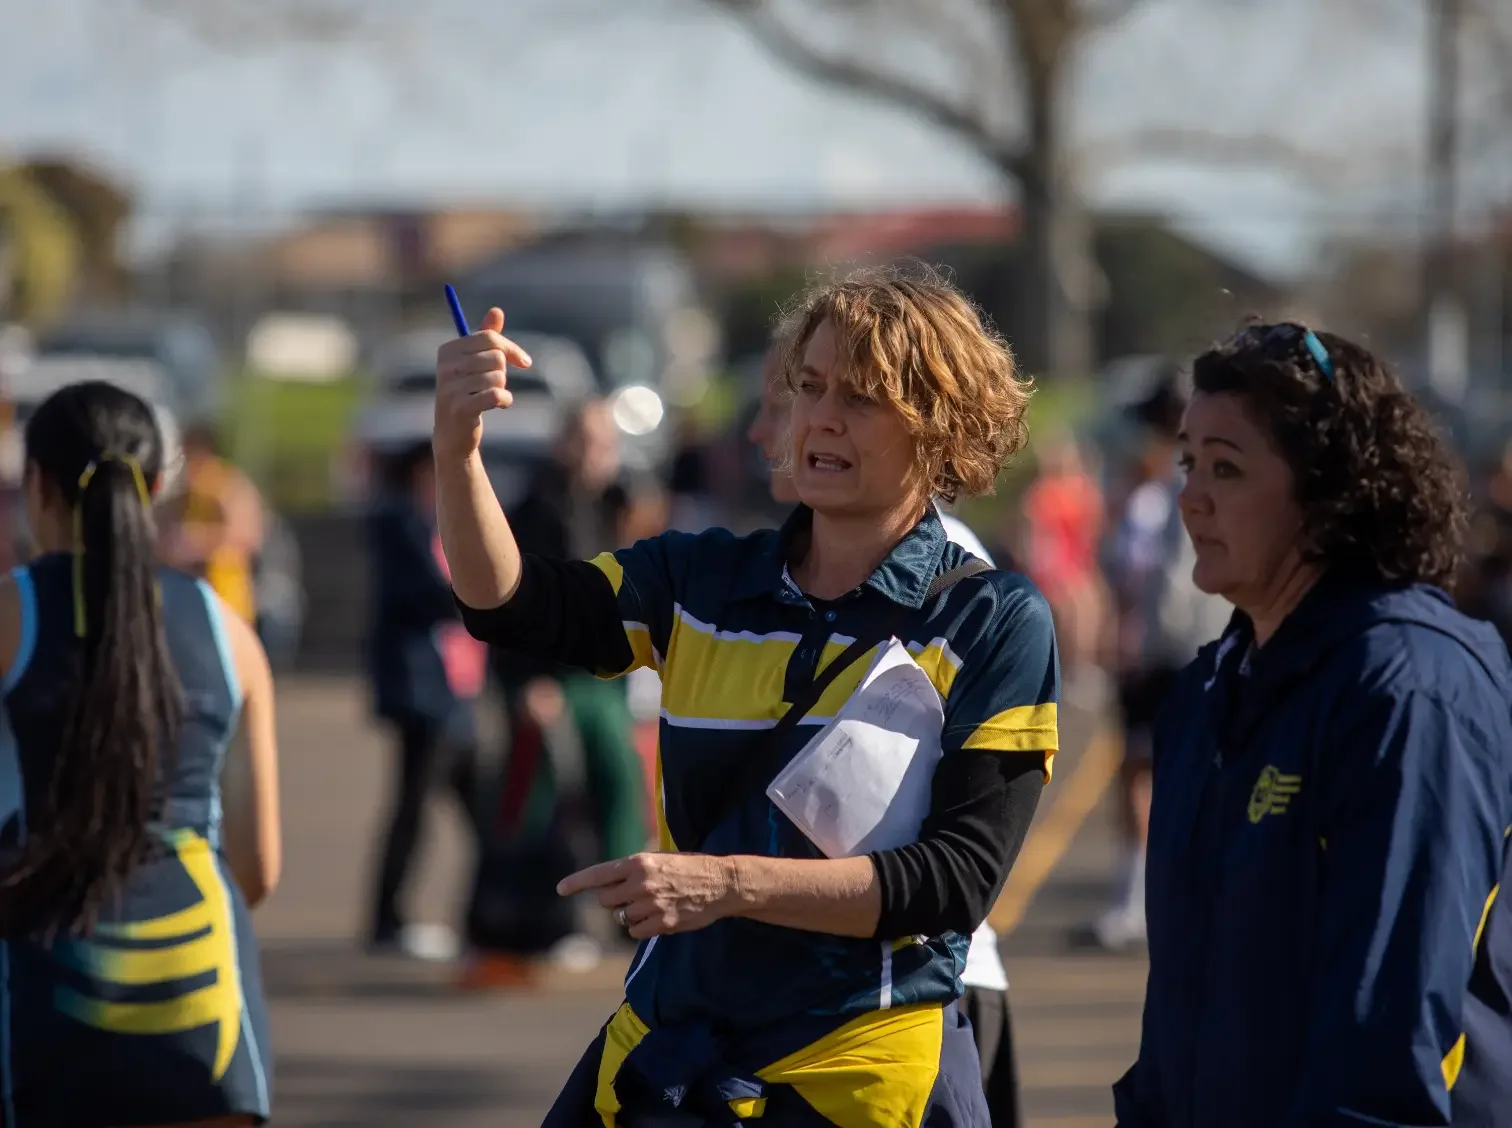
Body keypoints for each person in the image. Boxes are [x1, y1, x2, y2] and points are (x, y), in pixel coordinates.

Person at [433, 263, 1059, 1128]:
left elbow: (955, 883)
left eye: (864, 396)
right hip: (671, 1056)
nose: (822, 417)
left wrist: (726, 883)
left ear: (941, 428)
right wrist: (458, 450)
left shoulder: (991, 620)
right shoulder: (702, 578)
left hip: (863, 1076)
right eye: (809, 387)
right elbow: (509, 604)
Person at [1113, 324, 1512, 1127]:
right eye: (1189, 461)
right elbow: (1183, 1008)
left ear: (1332, 491)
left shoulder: (1405, 687)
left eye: (1227, 467)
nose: (1191, 495)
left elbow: (1397, 1027)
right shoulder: (1208, 695)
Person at [746, 342, 1026, 1127]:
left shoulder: (952, 577)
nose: (779, 428)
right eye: (797, 395)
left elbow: (956, 850)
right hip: (815, 986)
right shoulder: (787, 567)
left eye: (853, 401)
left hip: (922, 980)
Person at [0, 380, 281, 1125]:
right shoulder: (231, 634)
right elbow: (258, 868)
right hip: (209, 1010)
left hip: (44, 1005)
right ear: (158, 488)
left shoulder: (11, 612)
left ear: (37, 486)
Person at [1094, 369, 1229, 952]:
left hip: (1180, 651)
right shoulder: (1144, 490)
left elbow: (1166, 579)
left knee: (1179, 773)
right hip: (1161, 652)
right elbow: (1118, 570)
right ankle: (1139, 896)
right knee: (1140, 769)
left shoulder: (1182, 486)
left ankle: (1174, 894)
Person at [364, 440, 484, 960]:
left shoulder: (441, 524)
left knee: (476, 806)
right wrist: (486, 596)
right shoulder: (401, 526)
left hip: (454, 687)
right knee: (416, 805)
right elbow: (426, 594)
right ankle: (388, 920)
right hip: (423, 691)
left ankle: (483, 915)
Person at [159, 424, 265, 625]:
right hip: (187, 598)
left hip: (226, 596)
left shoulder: (228, 485)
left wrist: (197, 541)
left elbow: (247, 534)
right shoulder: (181, 492)